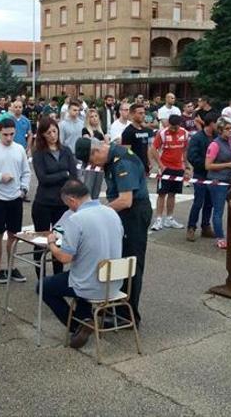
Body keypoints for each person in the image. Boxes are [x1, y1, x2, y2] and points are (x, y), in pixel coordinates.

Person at [75, 136, 151, 326]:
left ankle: (129, 315)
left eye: (92, 161)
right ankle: (114, 307)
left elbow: (126, 200)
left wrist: (99, 211)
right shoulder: (110, 159)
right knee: (116, 258)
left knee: (130, 263)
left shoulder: (122, 160)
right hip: (122, 213)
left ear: (96, 151)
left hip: (134, 214)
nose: (95, 166)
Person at [40, 179, 124, 349]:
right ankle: (85, 318)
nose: (69, 208)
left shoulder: (76, 219)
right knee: (80, 273)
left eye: (68, 204)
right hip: (114, 283)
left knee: (43, 286)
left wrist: (51, 244)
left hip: (90, 284)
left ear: (72, 200)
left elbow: (64, 258)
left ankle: (77, 326)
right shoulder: (111, 212)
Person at [0, 117, 31, 284]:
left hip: (15, 197)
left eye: (11, 134)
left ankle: (12, 266)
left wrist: (23, 189)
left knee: (14, 234)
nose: (9, 138)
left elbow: (26, 171)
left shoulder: (19, 149)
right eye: (5, 135)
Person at [31, 117, 78, 278]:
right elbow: (43, 178)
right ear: (42, 135)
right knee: (41, 242)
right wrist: (63, 174)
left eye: (54, 131)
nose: (52, 135)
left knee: (60, 241)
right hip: (44, 202)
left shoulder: (65, 151)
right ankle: (41, 278)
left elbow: (74, 175)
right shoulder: (39, 153)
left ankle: (58, 277)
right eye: (48, 132)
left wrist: (64, 176)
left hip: (62, 203)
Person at [149, 114, 190, 231]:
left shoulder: (184, 133)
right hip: (165, 168)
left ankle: (169, 218)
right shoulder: (162, 133)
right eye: (172, 127)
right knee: (162, 193)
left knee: (173, 194)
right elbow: (153, 149)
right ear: (169, 124)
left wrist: (186, 166)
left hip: (178, 168)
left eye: (176, 127)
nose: (174, 129)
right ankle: (158, 219)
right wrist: (161, 165)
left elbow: (185, 150)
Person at [205, 118, 231, 249]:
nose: (230, 131)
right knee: (218, 210)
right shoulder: (215, 144)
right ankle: (220, 237)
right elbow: (208, 165)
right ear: (220, 130)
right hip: (217, 180)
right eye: (227, 129)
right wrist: (229, 164)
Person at [185, 112, 218, 241]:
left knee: (210, 202)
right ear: (211, 123)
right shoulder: (197, 138)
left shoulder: (217, 137)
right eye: (217, 123)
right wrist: (206, 165)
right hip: (200, 174)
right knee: (198, 202)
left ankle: (206, 226)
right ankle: (191, 227)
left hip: (213, 175)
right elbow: (192, 156)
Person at [121, 103, 154, 174]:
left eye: (144, 113)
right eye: (140, 113)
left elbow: (148, 147)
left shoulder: (145, 130)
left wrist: (150, 161)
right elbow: (126, 152)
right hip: (133, 167)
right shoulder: (128, 132)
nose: (143, 115)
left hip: (144, 166)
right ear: (132, 115)